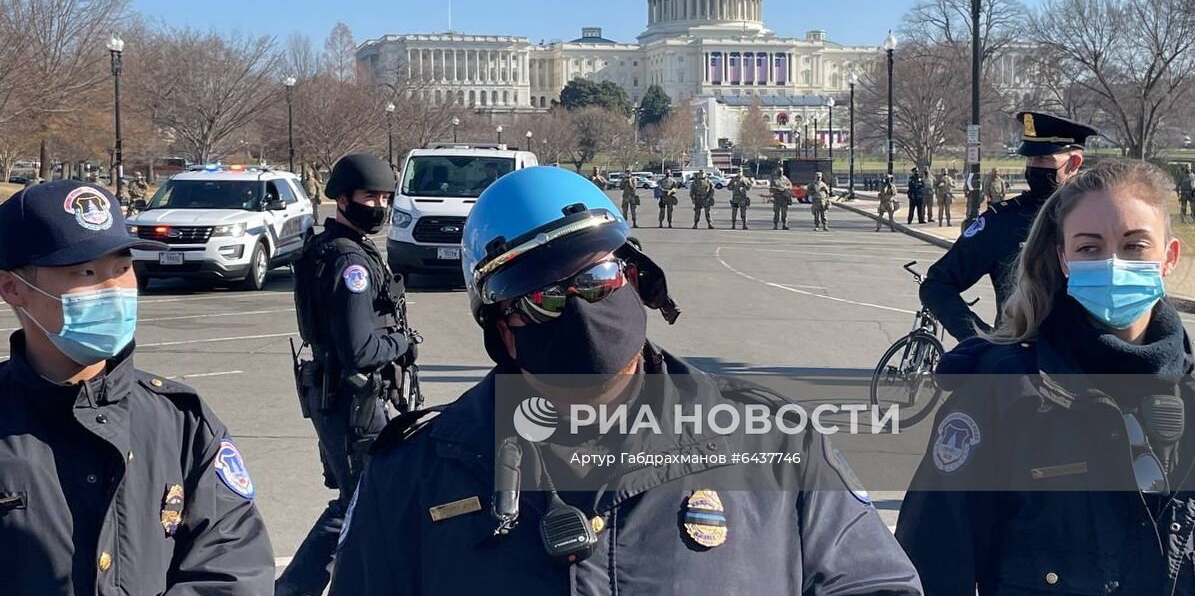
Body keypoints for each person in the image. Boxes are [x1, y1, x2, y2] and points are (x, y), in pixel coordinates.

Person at [329, 166, 923, 595]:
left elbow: (875, 584)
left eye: (598, 277)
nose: (581, 307)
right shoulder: (415, 471)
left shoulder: (775, 444)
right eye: (543, 297)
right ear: (502, 330)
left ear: (637, 280)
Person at [897, 160, 1195, 595]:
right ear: (1064, 259)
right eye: (1090, 248)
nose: (1113, 264)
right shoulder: (1001, 394)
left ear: (1168, 257)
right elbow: (930, 564)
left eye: (1134, 246)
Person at [0, 180, 274, 595]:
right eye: (86, 273)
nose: (114, 290)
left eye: (122, 268)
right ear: (13, 288)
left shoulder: (180, 420)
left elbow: (233, 566)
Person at [276, 154, 418, 596]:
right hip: (354, 401)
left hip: (340, 397)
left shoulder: (332, 246)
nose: (377, 205)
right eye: (368, 197)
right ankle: (299, 587)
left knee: (362, 498)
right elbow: (361, 349)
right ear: (341, 198)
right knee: (362, 500)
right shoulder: (348, 262)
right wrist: (405, 342)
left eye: (383, 197)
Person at [921, 111, 1098, 341]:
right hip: (1022, 365)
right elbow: (937, 285)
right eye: (1031, 159)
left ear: (1074, 163)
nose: (1034, 167)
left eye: (1044, 159)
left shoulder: (1099, 219)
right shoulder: (1002, 221)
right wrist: (982, 341)